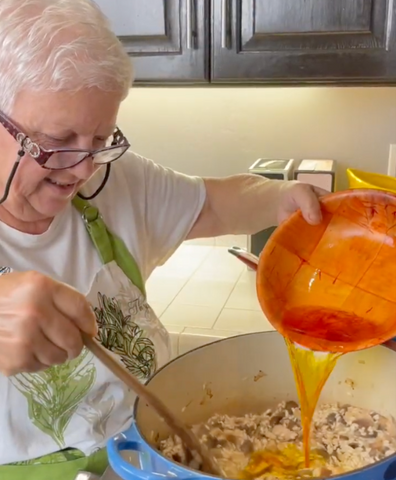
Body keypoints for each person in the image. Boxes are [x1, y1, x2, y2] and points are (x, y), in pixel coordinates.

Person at [0, 0, 328, 477]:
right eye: (57, 140)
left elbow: (212, 203)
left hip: (153, 453)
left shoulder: (114, 182)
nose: (83, 168)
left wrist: (284, 198)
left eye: (100, 139)